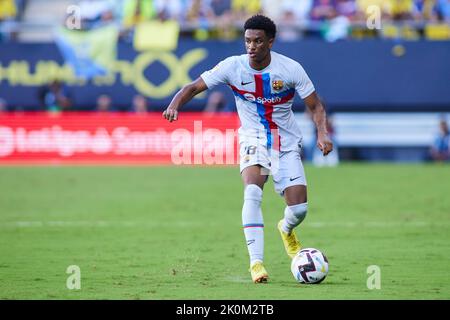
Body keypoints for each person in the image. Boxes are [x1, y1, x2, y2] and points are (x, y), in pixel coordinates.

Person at [162, 14, 333, 283]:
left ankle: (286, 228)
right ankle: (256, 264)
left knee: (299, 210)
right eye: (247, 41)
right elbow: (193, 87)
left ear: (270, 42)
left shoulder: (290, 69)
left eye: (258, 41)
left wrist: (322, 133)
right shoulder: (233, 66)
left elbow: (316, 106)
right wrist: (174, 105)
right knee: (252, 192)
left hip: (286, 144)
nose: (251, 46)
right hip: (252, 139)